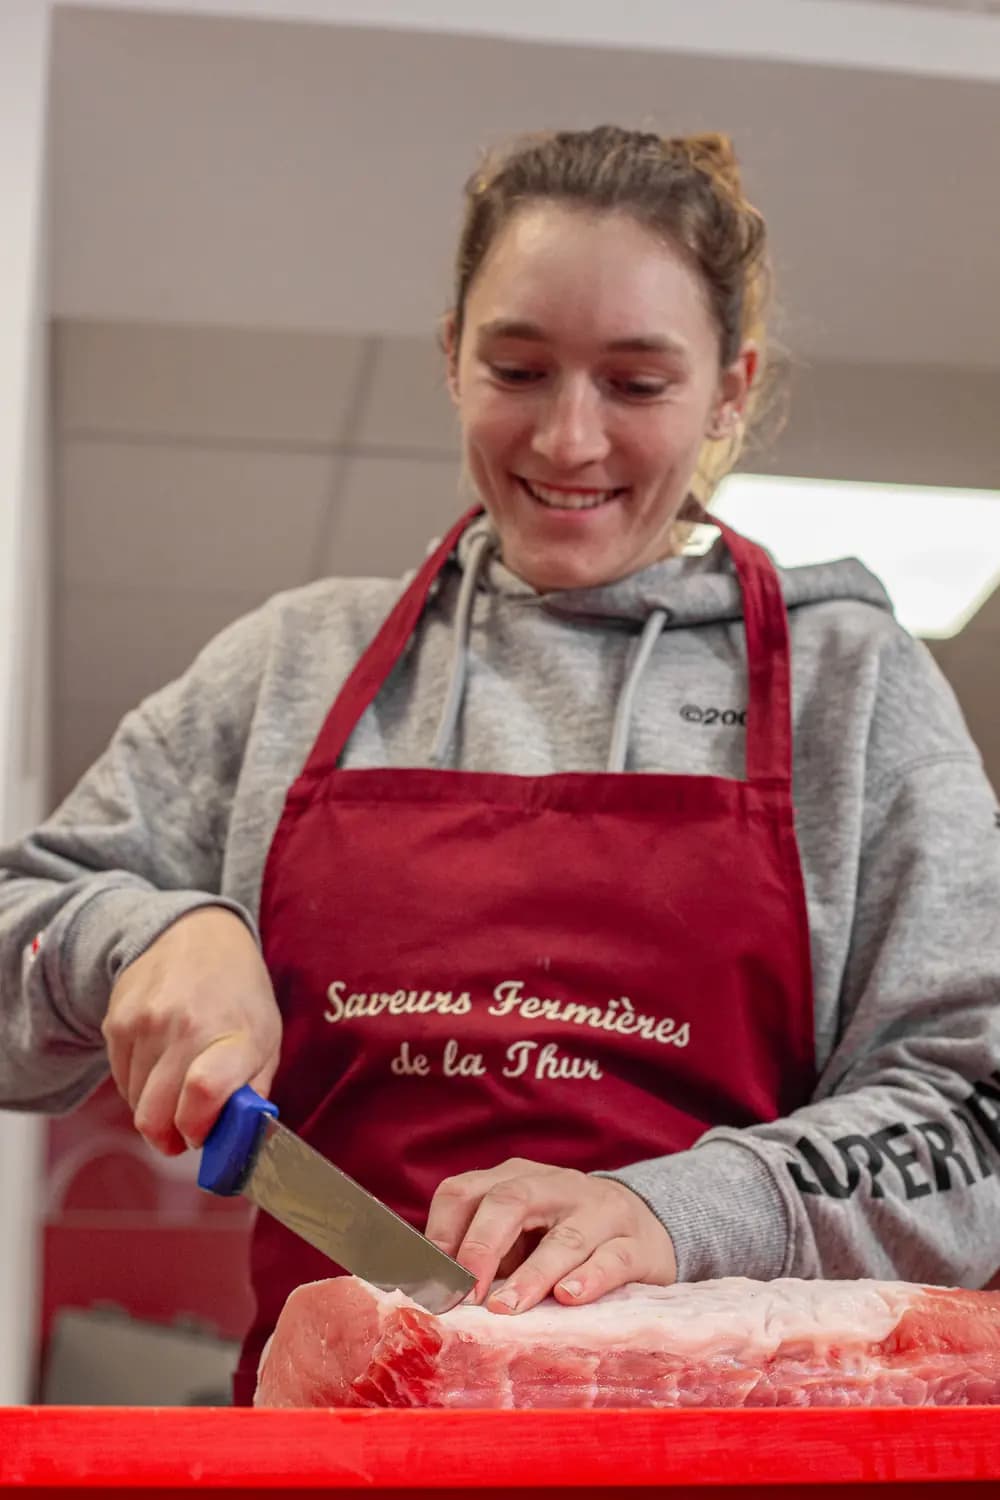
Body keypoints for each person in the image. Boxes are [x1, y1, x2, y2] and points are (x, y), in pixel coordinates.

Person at [2, 125, 999, 1406]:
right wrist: (141, 935)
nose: (569, 440)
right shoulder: (293, 663)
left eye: (636, 384)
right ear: (451, 359)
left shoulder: (849, 687)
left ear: (731, 388)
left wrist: (690, 1211)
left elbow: (971, 1117)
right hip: (334, 1455)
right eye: (518, 368)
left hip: (713, 1455)